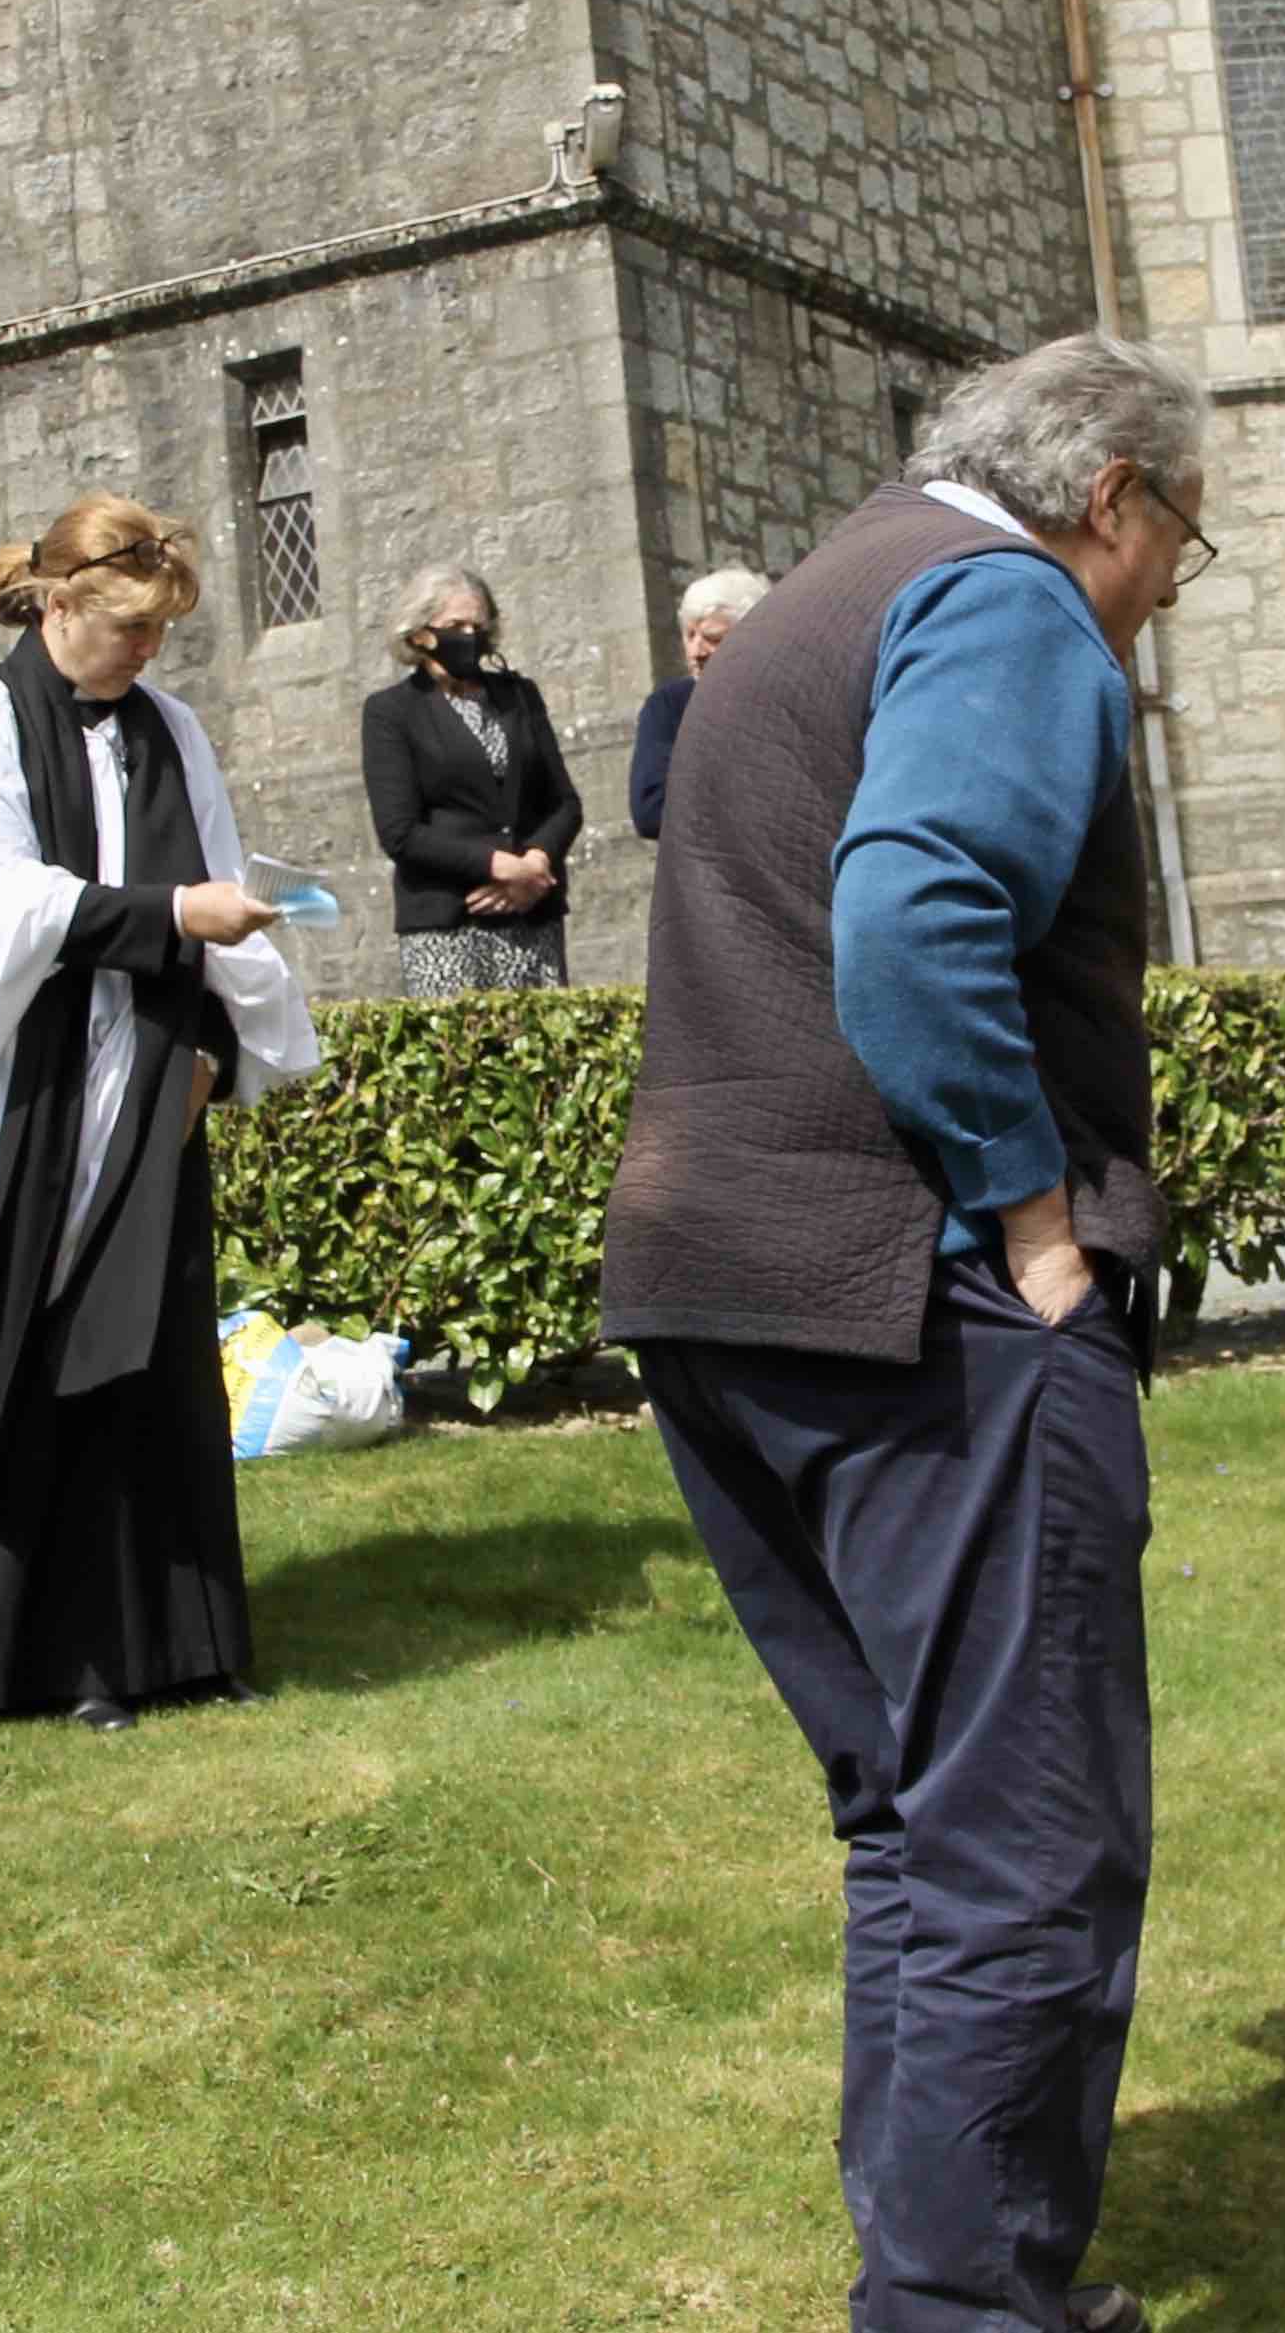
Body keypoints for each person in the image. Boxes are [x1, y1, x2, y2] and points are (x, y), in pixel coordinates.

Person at [603, 334, 1208, 2333]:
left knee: (913, 1821)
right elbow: (915, 904)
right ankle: (961, 2306)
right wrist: (1030, 1203)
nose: (1164, 591)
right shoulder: (1005, 598)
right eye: (1180, 543)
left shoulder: (821, 589)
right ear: (1107, 489)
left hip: (723, 1271)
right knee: (1022, 1831)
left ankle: (948, 2274)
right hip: (916, 1287)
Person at [0, 498, 319, 1729]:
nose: (145, 652)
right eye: (125, 628)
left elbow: (219, 875)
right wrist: (163, 917)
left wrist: (212, 1032)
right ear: (54, 603)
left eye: (160, 631)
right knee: (28, 1359)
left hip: (149, 1082)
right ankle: (32, 1654)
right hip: (26, 1098)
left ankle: (169, 1642)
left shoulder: (173, 730)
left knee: (150, 1361)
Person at [361, 566, 581, 994]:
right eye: (455, 626)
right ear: (420, 634)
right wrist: (499, 866)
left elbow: (565, 804)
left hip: (531, 917)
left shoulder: (519, 696)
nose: (468, 636)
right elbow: (400, 832)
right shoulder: (392, 712)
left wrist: (533, 868)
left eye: (477, 627)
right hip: (448, 926)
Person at [627, 564, 769, 838]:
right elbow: (651, 810)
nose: (695, 651)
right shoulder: (670, 707)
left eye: (712, 638)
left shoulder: (782, 700)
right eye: (689, 635)